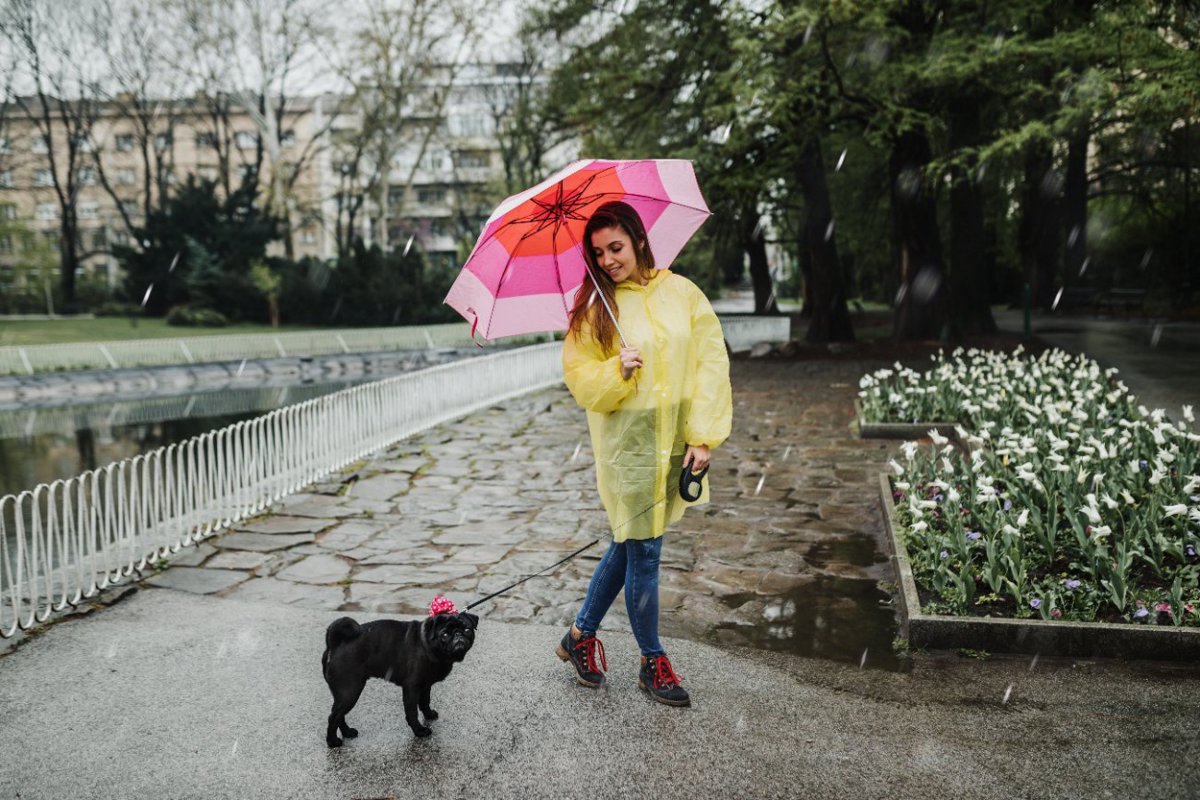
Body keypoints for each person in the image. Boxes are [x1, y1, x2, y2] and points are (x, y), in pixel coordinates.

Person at [556, 200, 732, 707]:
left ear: (636, 239)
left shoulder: (683, 293)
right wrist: (616, 370)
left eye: (616, 247)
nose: (609, 259)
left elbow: (709, 362)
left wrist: (703, 435)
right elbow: (579, 376)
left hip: (673, 439)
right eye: (599, 252)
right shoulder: (595, 309)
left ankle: (580, 635)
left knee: (630, 541)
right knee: (645, 551)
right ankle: (652, 661)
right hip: (628, 448)